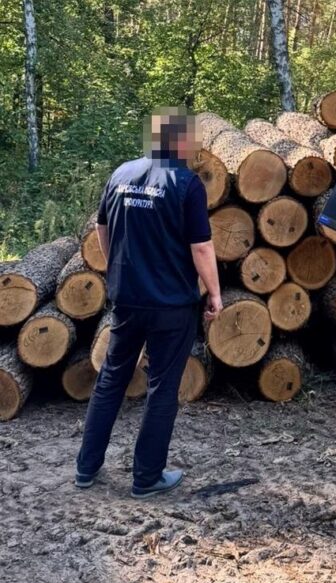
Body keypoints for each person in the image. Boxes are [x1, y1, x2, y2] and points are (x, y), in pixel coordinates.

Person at [75, 107, 222, 499]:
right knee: (161, 386)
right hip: (171, 304)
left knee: (111, 378)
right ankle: (147, 477)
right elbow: (202, 248)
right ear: (178, 140)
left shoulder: (121, 174)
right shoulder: (186, 184)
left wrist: (116, 268)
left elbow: (102, 228)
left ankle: (86, 467)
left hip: (127, 297)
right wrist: (215, 293)